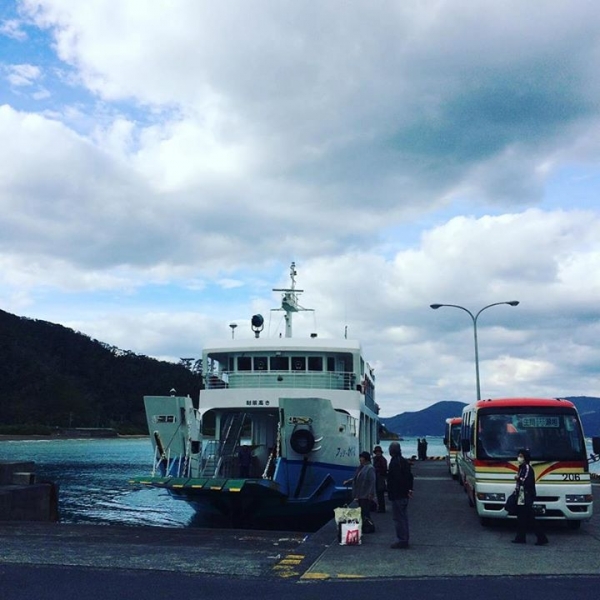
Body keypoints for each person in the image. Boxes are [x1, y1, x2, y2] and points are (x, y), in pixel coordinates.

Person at [511, 448, 548, 546]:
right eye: (519, 456)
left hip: (526, 496)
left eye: (521, 456)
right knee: (521, 518)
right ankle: (520, 537)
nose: (519, 458)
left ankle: (541, 537)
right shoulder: (521, 467)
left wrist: (518, 478)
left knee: (530, 518)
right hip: (521, 495)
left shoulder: (527, 468)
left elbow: (526, 481)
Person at [387, 441, 414, 549]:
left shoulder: (394, 462)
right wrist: (410, 489)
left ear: (391, 451)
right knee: (403, 517)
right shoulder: (403, 461)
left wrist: (390, 491)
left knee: (398, 518)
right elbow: (410, 477)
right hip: (404, 494)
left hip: (397, 494)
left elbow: (395, 479)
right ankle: (404, 538)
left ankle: (402, 540)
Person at [343, 451, 376, 525]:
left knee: (365, 511)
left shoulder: (370, 468)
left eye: (361, 457)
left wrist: (371, 493)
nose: (360, 459)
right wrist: (349, 481)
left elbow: (372, 481)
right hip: (360, 494)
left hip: (365, 494)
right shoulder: (361, 467)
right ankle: (365, 525)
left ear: (366, 458)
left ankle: (368, 525)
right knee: (362, 511)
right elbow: (356, 478)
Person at [372, 445, 388, 513]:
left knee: (380, 493)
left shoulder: (382, 460)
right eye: (377, 452)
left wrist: (377, 470)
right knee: (379, 493)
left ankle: (382, 508)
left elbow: (384, 469)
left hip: (380, 477)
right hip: (377, 477)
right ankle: (380, 507)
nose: (377, 453)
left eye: (378, 452)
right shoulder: (376, 459)